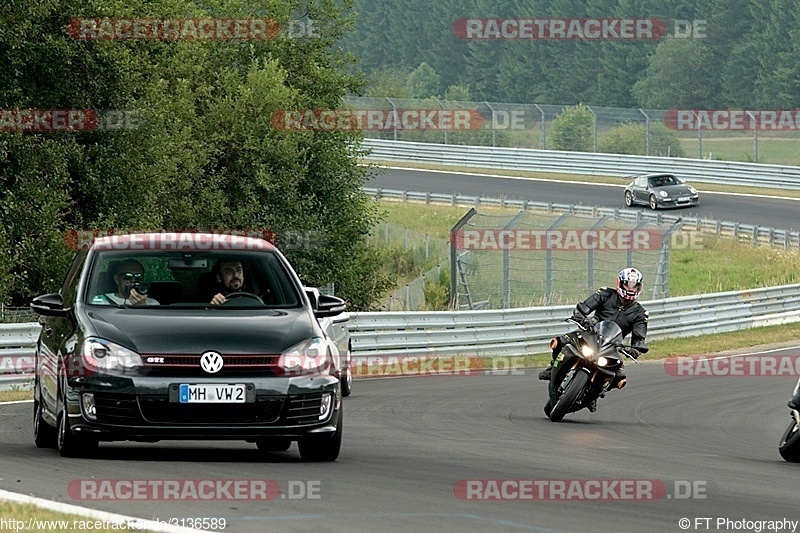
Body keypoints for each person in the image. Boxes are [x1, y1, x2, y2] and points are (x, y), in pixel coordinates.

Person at [538, 267, 649, 411]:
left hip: (612, 346)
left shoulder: (640, 313)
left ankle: (593, 395)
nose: (631, 288)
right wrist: (581, 315)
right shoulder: (605, 294)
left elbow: (639, 337)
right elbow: (586, 306)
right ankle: (552, 366)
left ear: (640, 287)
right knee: (559, 341)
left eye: (635, 286)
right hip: (590, 333)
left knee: (620, 379)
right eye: (628, 284)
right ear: (619, 283)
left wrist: (636, 349)